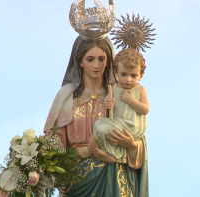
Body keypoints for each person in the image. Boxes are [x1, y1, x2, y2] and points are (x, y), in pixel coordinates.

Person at [43, 36, 148, 197]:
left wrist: (132, 145)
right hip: (78, 176)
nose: (96, 65)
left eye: (101, 59)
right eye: (90, 59)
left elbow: (136, 129)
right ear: (80, 61)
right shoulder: (67, 96)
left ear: (109, 62)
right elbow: (54, 143)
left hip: (115, 175)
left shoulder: (118, 95)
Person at [77, 48, 149, 164]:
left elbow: (145, 109)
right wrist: (107, 103)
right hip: (117, 122)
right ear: (116, 72)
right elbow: (107, 103)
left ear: (141, 75)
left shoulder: (140, 90)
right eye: (123, 74)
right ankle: (111, 155)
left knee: (102, 128)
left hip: (131, 126)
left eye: (133, 75)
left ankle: (89, 150)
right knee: (98, 124)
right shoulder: (114, 88)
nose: (128, 80)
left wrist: (131, 100)